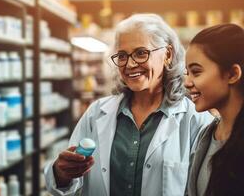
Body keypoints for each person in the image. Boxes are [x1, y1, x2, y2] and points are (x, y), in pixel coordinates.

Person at [44, 13, 213, 196]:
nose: (130, 64)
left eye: (141, 53)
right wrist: (61, 173)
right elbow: (68, 185)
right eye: (122, 56)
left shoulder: (196, 120)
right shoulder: (96, 114)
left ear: (167, 55)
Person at [184, 23, 244, 196]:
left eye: (196, 72)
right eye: (187, 72)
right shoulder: (206, 135)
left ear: (232, 74)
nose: (187, 82)